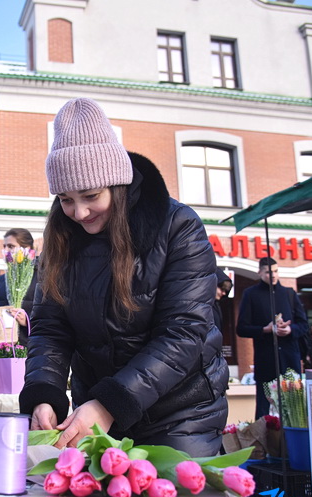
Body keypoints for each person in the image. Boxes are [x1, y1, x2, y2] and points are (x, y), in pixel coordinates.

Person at [19, 98, 228, 456]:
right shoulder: (61, 239)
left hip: (180, 413)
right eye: (65, 199)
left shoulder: (178, 226)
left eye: (90, 196)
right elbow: (50, 328)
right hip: (95, 411)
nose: (79, 212)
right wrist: (45, 393)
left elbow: (183, 332)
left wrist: (110, 403)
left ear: (116, 184)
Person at [236, 256, 308, 419]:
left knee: (294, 407)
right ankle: (263, 442)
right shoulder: (251, 294)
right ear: (260, 273)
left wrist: (290, 329)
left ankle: (292, 441)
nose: (273, 275)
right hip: (266, 360)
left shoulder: (289, 294)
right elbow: (241, 328)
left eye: (276, 271)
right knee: (263, 409)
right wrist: (265, 330)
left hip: (290, 360)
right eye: (268, 272)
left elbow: (304, 324)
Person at [0, 228, 38, 358]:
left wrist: (27, 322)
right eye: (4, 246)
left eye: (11, 246)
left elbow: (49, 318)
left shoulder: (39, 279)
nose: (6, 251)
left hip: (27, 353)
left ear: (26, 249)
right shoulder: (0, 281)